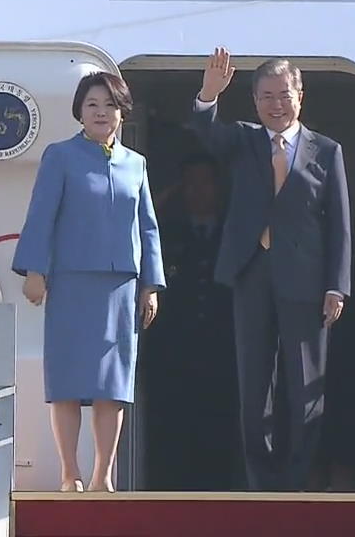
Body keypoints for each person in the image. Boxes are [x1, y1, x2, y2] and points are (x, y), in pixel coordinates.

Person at [187, 47, 351, 491]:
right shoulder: (243, 140)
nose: (276, 105)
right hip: (252, 273)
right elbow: (205, 131)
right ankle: (261, 482)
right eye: (266, 96)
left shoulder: (326, 150)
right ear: (254, 101)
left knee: (304, 387)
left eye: (284, 95)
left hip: (307, 280)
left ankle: (295, 479)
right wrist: (208, 94)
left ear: (300, 96)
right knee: (254, 385)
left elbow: (339, 223)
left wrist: (337, 285)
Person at [11, 71, 165, 493]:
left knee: (112, 386)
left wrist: (150, 284)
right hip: (71, 283)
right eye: (93, 104)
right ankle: (69, 473)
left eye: (110, 105)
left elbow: (147, 228)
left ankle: (103, 475)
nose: (101, 112)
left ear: (122, 113)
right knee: (66, 382)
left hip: (120, 288)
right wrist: (35, 272)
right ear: (79, 110)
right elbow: (41, 215)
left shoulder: (137, 164)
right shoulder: (60, 156)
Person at [140, 153, 241, 490]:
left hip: (223, 358)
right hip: (173, 359)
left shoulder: (236, 234)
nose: (199, 191)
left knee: (220, 441)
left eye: (206, 182)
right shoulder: (165, 235)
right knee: (173, 442)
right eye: (191, 183)